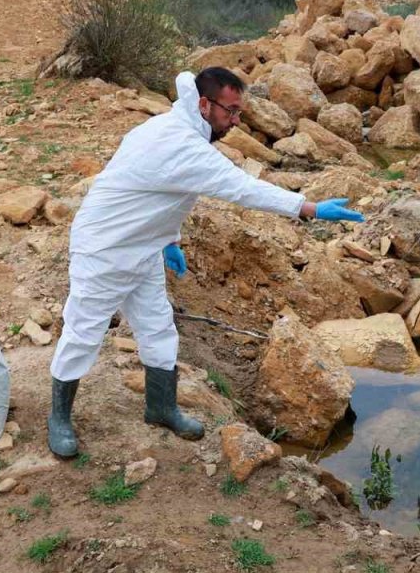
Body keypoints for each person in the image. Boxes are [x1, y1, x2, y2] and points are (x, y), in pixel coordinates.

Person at [46, 67, 364, 458]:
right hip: (105, 249)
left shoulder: (179, 128)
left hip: (143, 246)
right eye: (230, 111)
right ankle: (59, 418)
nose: (235, 120)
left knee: (158, 328)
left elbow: (165, 194)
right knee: (83, 332)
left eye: (239, 112)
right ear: (203, 104)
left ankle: (160, 408)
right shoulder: (179, 142)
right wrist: (308, 207)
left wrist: (169, 241)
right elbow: (241, 188)